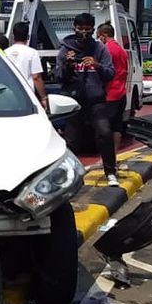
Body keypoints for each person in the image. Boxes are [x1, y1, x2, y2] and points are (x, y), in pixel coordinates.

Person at [57, 12, 116, 179]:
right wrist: (67, 65)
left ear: (93, 30)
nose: (83, 32)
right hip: (73, 102)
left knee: (104, 133)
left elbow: (111, 73)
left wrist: (97, 65)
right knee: (72, 141)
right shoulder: (65, 49)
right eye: (80, 28)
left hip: (96, 100)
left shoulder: (100, 48)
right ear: (74, 28)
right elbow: (59, 77)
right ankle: (67, 176)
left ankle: (110, 172)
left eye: (87, 29)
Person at [97, 22, 130, 179]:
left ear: (103, 36)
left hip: (110, 93)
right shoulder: (122, 50)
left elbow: (104, 71)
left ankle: (108, 160)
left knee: (105, 130)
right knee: (117, 127)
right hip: (121, 92)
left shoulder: (107, 49)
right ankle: (113, 158)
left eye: (99, 37)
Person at [5, 21, 47, 106]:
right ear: (28, 36)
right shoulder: (32, 53)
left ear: (13, 36)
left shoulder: (5, 53)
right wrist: (43, 98)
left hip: (8, 95)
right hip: (27, 95)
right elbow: (36, 77)